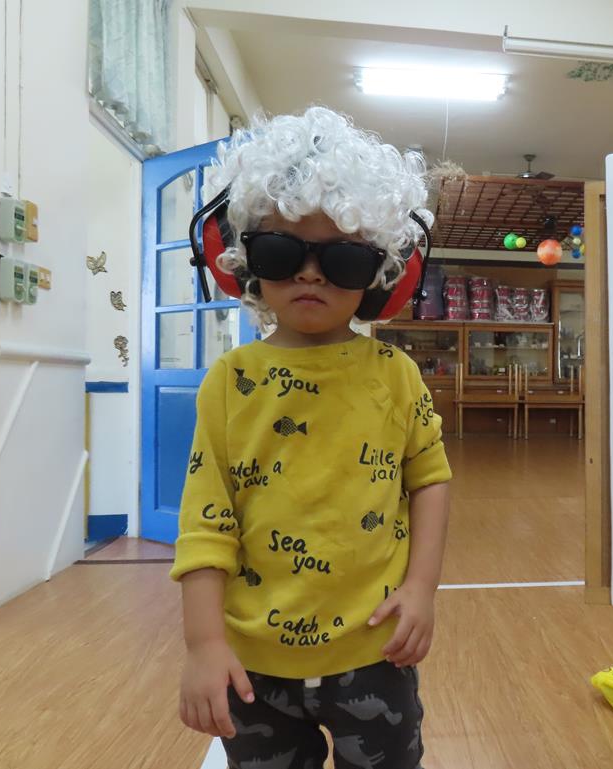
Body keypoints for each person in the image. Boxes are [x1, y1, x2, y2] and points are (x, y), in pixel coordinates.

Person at [169, 106, 452, 769]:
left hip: (374, 649)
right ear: (243, 259)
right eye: (281, 251)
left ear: (381, 274)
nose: (311, 274)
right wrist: (203, 644)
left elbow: (429, 479)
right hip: (252, 663)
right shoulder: (229, 382)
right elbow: (206, 522)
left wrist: (422, 587)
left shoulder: (397, 375)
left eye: (344, 259)